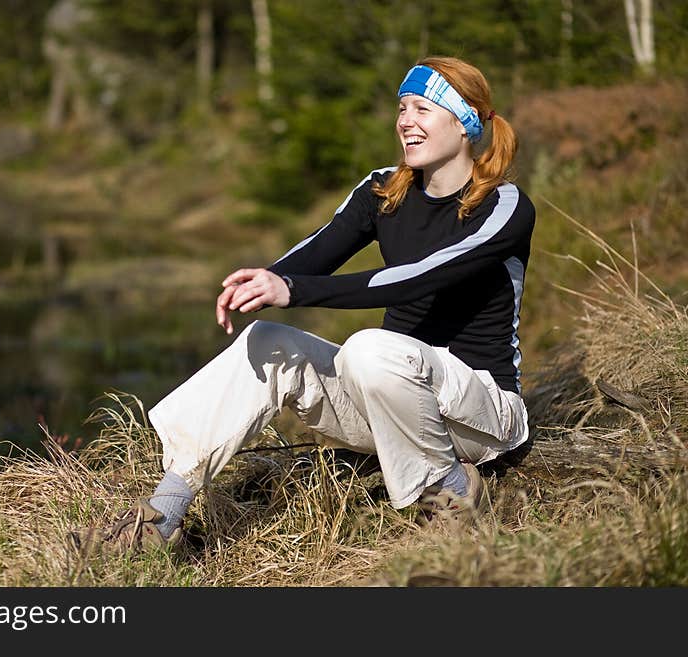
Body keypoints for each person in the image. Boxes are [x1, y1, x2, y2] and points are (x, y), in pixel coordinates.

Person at [72, 55, 535, 555]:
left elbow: (415, 280)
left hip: (482, 414)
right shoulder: (384, 189)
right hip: (386, 401)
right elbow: (319, 251)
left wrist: (295, 292)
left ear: (464, 122)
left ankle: (454, 492)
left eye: (422, 108)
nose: (405, 121)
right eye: (402, 107)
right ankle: (159, 518)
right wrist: (269, 279)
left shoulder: (504, 207)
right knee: (267, 343)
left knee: (371, 349)